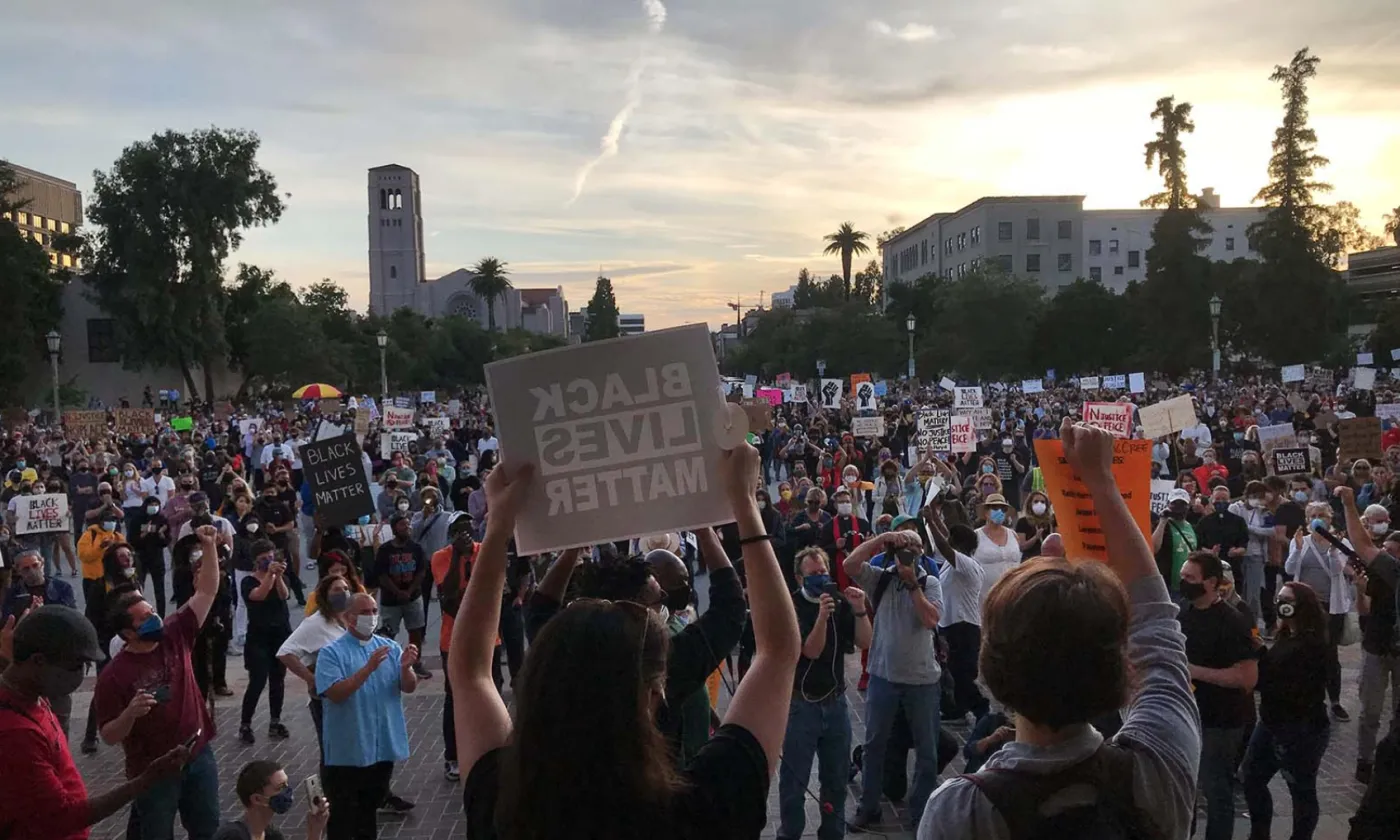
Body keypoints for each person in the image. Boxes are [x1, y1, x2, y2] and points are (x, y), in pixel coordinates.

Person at [453, 444, 801, 840]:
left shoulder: (504, 809)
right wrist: (742, 504)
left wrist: (497, 529)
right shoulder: (704, 807)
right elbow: (778, 651)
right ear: (655, 693)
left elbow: (469, 671)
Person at [919, 418, 1199, 840]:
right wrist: (1101, 480)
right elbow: (1157, 627)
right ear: (1119, 668)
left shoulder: (961, 812)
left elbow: (1153, 624)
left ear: (993, 670)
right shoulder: (1160, 764)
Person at [0, 605, 188, 840]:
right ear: (38, 661)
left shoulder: (31, 689)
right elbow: (64, 816)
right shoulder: (16, 734)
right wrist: (144, 780)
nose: (81, 675)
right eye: (77, 665)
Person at [94, 524, 224, 840]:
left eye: (152, 610)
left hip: (198, 753)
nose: (154, 618)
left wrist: (208, 546)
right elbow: (109, 734)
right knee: (156, 833)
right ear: (127, 633)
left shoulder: (175, 632)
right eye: (144, 617)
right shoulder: (114, 675)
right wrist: (130, 714)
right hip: (153, 771)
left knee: (207, 828)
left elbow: (206, 591)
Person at [842, 525, 943, 831]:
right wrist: (881, 540)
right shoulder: (880, 578)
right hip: (883, 675)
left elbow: (930, 620)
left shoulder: (930, 582)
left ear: (921, 554)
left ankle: (921, 811)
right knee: (874, 745)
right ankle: (869, 806)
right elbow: (849, 566)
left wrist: (913, 585)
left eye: (912, 550)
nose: (905, 556)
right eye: (901, 550)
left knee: (928, 750)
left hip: (922, 679)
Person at [777, 546, 871, 840]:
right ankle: (790, 833)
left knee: (836, 780)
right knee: (794, 782)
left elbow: (864, 641)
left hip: (835, 702)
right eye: (812, 574)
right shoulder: (791, 606)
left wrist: (858, 610)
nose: (820, 578)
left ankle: (832, 834)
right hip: (801, 706)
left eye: (823, 573)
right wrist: (821, 616)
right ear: (798, 578)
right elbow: (811, 650)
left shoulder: (839, 603)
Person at [314, 592, 419, 840]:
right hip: (347, 753)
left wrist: (405, 668)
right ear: (350, 618)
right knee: (342, 819)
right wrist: (368, 668)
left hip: (380, 750)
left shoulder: (389, 647)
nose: (372, 617)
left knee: (367, 816)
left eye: (374, 611)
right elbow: (336, 693)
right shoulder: (331, 653)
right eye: (365, 612)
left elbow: (409, 686)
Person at [1178, 550, 1259, 840]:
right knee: (1186, 787)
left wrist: (1195, 671)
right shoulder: (1184, 612)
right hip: (1189, 715)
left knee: (1216, 789)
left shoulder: (1233, 621)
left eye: (1190, 577)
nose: (1183, 582)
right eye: (1182, 576)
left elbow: (1247, 679)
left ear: (1211, 582)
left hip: (1221, 721)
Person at [1241, 581, 1331, 840]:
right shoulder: (1287, 635)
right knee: (1251, 777)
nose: (1280, 604)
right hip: (1271, 723)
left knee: (1301, 791)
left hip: (1299, 729)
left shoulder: (1312, 644)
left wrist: (1259, 673)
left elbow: (1287, 683)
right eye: (1279, 598)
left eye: (1287, 600)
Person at [1334, 485, 1400, 784]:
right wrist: (1349, 505)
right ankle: (1365, 759)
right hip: (1377, 646)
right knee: (1371, 710)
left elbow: (1363, 546)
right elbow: (1362, 545)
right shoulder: (1386, 572)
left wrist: (1349, 503)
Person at [1285, 502, 1354, 721]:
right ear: (1307, 520)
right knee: (1302, 650)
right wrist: (1295, 549)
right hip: (1305, 605)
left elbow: (1337, 571)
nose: (1317, 519)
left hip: (1331, 606)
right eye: (1313, 515)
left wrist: (1334, 552)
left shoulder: (1341, 542)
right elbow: (1289, 569)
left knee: (1329, 653)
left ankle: (1334, 700)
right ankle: (1308, 698)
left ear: (1329, 518)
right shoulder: (1301, 542)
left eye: (1321, 515)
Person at [277, 572, 353, 759]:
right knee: (332, 750)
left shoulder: (349, 619)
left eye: (345, 589)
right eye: (337, 589)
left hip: (350, 692)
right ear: (325, 595)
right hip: (326, 699)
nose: (343, 593)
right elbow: (285, 652)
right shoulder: (316, 623)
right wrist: (311, 679)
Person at [430, 516, 475, 781]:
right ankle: (453, 756)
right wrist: (458, 556)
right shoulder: (441, 556)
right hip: (452, 639)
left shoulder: (482, 551)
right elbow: (446, 595)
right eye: (459, 531)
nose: (465, 535)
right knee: (454, 695)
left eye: (469, 530)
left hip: (486, 636)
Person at [238, 538, 292, 745]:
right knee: (258, 680)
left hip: (279, 634)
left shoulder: (279, 576)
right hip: (258, 636)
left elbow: (283, 595)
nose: (268, 561)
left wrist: (277, 576)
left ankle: (275, 721)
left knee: (278, 679)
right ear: (255, 561)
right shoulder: (248, 581)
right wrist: (269, 574)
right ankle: (245, 723)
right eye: (263, 559)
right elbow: (258, 596)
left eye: (271, 557)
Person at [370, 514, 432, 678]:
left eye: (408, 524)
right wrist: (397, 592)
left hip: (413, 597)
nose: (407, 527)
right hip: (391, 600)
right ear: (394, 528)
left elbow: (421, 571)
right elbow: (382, 575)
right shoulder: (385, 550)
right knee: (389, 632)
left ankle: (416, 662)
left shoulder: (416, 548)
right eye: (403, 525)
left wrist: (410, 591)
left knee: (416, 630)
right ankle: (387, 663)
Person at [211, 759, 329, 840]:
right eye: (280, 787)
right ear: (257, 799)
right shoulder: (232, 836)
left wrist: (315, 831)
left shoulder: (271, 835)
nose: (287, 791)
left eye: (286, 785)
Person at [971, 493, 1020, 605]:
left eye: (1003, 509)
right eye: (995, 508)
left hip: (1011, 596)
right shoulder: (976, 536)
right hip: (983, 598)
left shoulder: (1013, 535)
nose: (999, 512)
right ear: (986, 512)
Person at [1152, 488, 1199, 587]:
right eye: (1175, 503)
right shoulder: (1162, 525)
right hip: (1168, 583)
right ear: (1168, 504)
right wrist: (1163, 521)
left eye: (1182, 504)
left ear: (1188, 506)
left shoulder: (1192, 527)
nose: (1178, 507)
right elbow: (1153, 548)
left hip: (1188, 585)